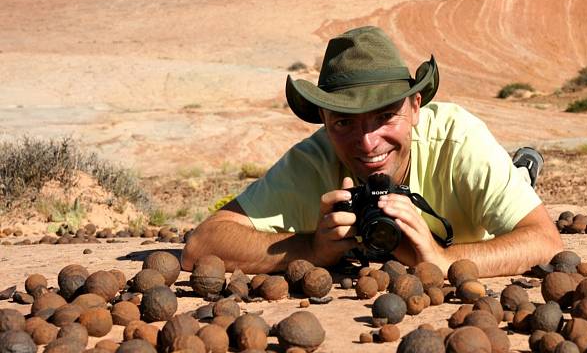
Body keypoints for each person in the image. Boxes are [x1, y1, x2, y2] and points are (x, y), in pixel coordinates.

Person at [181, 26, 563, 277]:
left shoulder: (458, 140)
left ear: (415, 107)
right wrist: (312, 250)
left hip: (468, 199)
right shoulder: (313, 160)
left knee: (510, 190)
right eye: (344, 122)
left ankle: (518, 175)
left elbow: (544, 240)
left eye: (384, 116)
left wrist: (442, 259)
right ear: (324, 121)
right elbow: (202, 244)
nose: (367, 143)